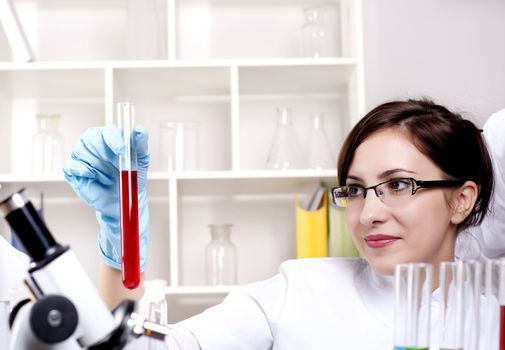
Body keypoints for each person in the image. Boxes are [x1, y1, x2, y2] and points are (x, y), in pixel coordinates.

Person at [1, 98, 503, 349]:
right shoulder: (299, 289)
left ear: (461, 200)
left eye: (398, 185)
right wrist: (120, 244)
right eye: (353, 189)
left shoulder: (491, 321)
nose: (369, 212)